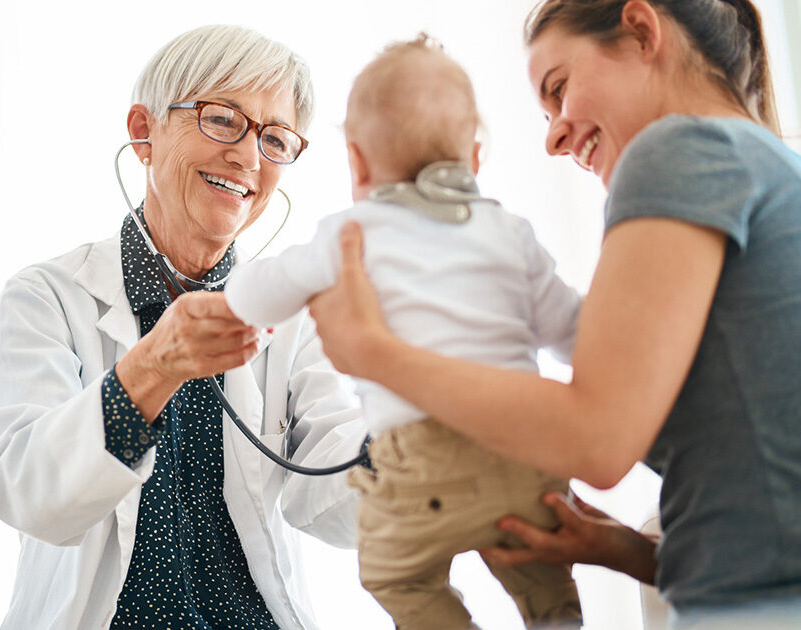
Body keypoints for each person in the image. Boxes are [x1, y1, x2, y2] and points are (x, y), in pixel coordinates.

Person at [307, 0, 801, 626]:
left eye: (559, 89)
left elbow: (598, 440)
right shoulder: (777, 171)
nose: (553, 136)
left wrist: (374, 352)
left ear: (641, 31)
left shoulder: (680, 149)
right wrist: (623, 549)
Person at [0, 24, 368, 630]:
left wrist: (412, 428)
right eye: (221, 119)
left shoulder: (291, 317)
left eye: (275, 138)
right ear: (143, 133)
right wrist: (153, 364)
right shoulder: (47, 298)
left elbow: (331, 505)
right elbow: (29, 494)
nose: (247, 156)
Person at [224, 35, 583, 629]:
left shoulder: (350, 235)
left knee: (396, 572)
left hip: (419, 466)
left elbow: (254, 294)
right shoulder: (509, 233)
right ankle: (558, 620)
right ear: (474, 157)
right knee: (543, 570)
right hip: (525, 454)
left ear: (358, 163)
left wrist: (237, 293)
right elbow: (573, 334)